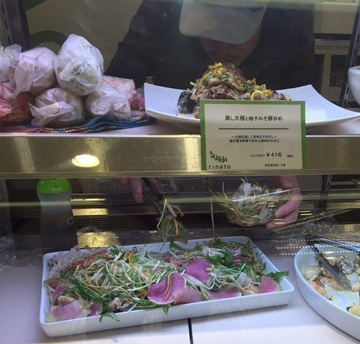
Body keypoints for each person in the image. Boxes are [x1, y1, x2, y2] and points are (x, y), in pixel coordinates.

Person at [105, 0, 316, 229]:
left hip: (252, 164)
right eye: (207, 29)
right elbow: (115, 85)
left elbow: (299, 102)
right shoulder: (163, 7)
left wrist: (287, 165)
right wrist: (125, 146)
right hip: (164, 166)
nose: (221, 49)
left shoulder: (290, 15)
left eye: (235, 35)